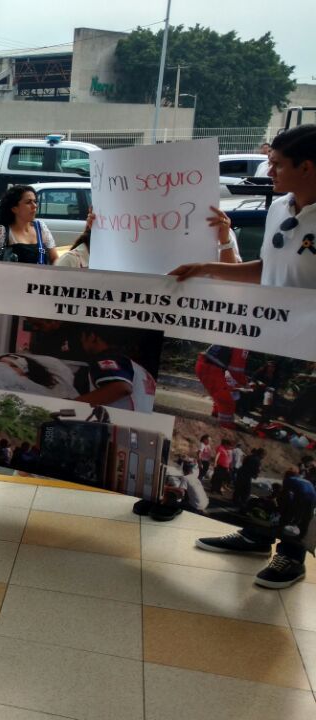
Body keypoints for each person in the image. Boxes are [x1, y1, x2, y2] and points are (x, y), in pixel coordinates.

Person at [172, 124, 316, 588]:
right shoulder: (278, 207)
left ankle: (292, 554)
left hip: (307, 357)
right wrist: (209, 267)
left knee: (299, 453)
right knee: (253, 435)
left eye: (276, 163)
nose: (268, 170)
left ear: (307, 167)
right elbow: (269, 269)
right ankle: (257, 533)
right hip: (265, 345)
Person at [73, 326, 156, 413]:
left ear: (92, 337)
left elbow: (121, 388)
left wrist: (73, 405)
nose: (82, 342)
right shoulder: (136, 367)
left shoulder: (107, 357)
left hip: (127, 422)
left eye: (82, 338)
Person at [0, 184, 60, 264]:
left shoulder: (41, 228)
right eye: (28, 202)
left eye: (35, 201)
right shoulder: (1, 232)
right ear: (14, 208)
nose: (35, 206)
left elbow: (55, 259)